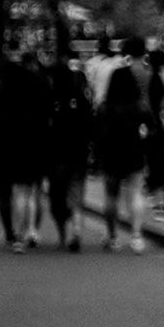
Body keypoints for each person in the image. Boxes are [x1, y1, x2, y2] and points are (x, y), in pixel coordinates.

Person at [0, 47, 47, 250]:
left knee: (6, 194)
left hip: (1, 149)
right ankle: (28, 231)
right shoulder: (31, 94)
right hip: (29, 147)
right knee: (28, 192)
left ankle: (12, 232)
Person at [90, 61, 152, 250]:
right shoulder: (139, 106)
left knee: (111, 195)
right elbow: (152, 127)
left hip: (111, 153)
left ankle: (112, 236)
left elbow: (97, 132)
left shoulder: (105, 107)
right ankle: (136, 236)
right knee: (136, 193)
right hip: (134, 151)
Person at [40, 48, 94, 251]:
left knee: (57, 196)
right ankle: (77, 230)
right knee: (76, 194)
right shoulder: (81, 100)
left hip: (55, 156)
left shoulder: (49, 101)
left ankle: (63, 235)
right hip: (78, 154)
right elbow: (90, 126)